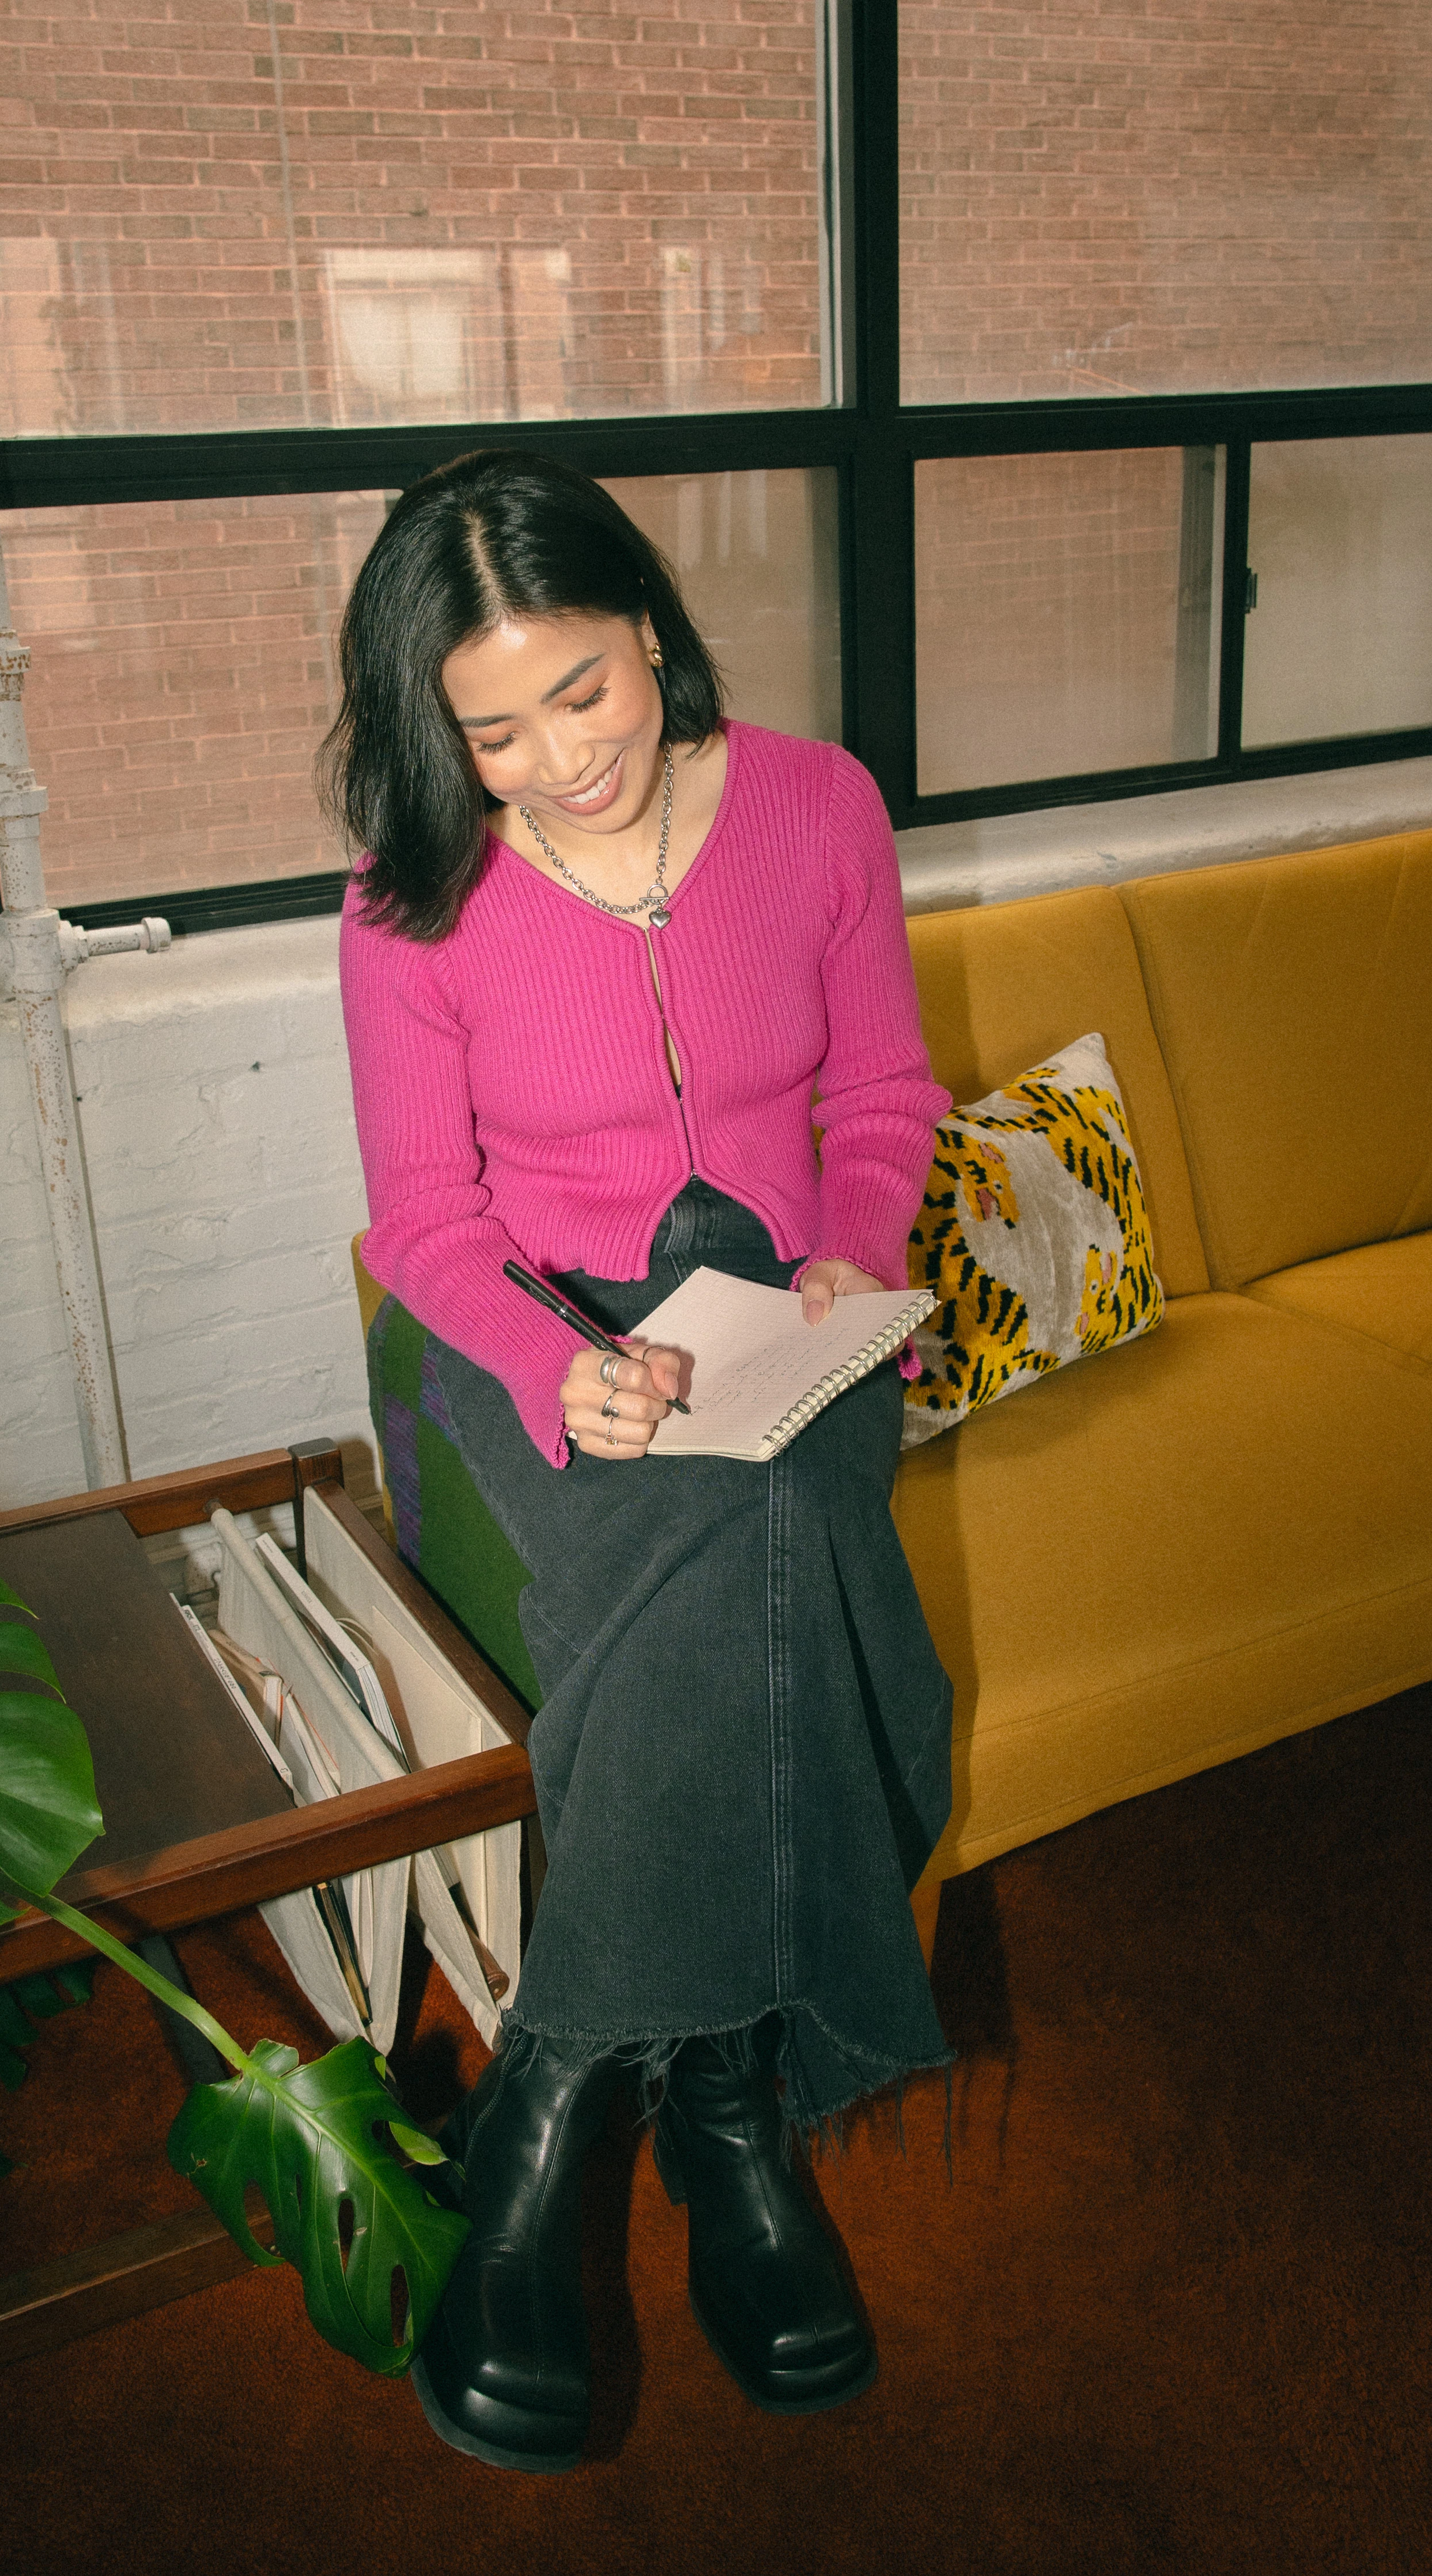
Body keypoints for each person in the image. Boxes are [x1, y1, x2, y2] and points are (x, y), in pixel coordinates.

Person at [324, 450, 954, 2475]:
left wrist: (855, 1245)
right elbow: (424, 1226)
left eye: (580, 696)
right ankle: (728, 2117)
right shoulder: (407, 900)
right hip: (537, 1357)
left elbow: (884, 1086)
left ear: (654, 638)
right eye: (486, 732)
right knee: (758, 1536)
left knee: (766, 1494)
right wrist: (551, 1360)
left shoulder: (816, 806)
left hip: (784, 1312)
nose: (552, 765)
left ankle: (576, 2081)